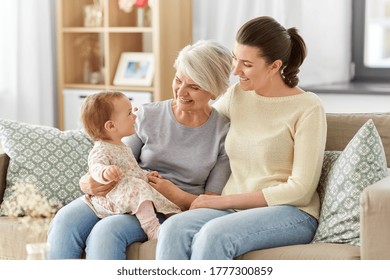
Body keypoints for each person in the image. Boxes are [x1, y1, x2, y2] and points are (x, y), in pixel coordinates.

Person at [156, 16, 327, 260]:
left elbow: (300, 190)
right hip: (235, 208)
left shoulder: (308, 107)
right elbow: (202, 122)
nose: (235, 71)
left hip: (291, 212)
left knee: (214, 235)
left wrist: (221, 201)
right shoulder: (238, 95)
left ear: (274, 66)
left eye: (246, 64)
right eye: (235, 58)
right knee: (174, 228)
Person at [47, 40, 233, 259]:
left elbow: (211, 201)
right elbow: (115, 156)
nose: (181, 92)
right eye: (178, 80)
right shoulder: (147, 115)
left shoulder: (223, 133)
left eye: (194, 87)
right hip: (125, 191)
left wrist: (175, 194)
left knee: (108, 231)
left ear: (214, 90)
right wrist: (88, 182)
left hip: (166, 208)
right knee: (65, 219)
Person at [80, 91, 181, 240]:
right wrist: (104, 172)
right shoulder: (101, 148)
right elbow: (95, 167)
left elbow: (131, 170)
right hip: (115, 196)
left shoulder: (122, 146)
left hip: (128, 189)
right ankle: (152, 228)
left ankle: (176, 219)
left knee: (154, 188)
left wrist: (146, 175)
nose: (134, 116)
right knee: (139, 188)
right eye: (129, 113)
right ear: (111, 126)